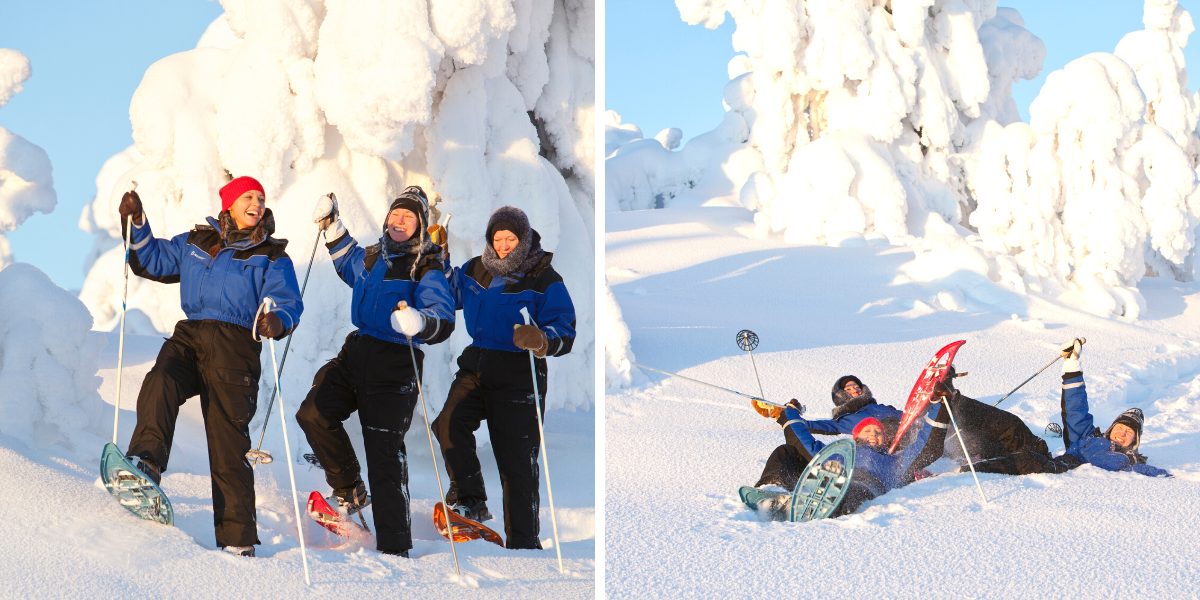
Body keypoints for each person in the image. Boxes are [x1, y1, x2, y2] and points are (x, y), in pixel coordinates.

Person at [119, 176, 303, 557]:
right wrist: (137, 222)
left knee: (227, 443)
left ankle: (238, 541)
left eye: (261, 198)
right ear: (229, 203)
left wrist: (278, 319)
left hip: (235, 347)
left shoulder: (271, 254)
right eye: (248, 196)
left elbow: (288, 300)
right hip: (190, 334)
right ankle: (145, 463)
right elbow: (150, 259)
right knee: (161, 380)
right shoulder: (197, 242)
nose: (257, 203)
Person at [295, 186, 455, 557]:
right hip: (358, 350)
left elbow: (442, 316)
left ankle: (395, 548)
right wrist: (331, 224)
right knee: (315, 412)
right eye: (395, 215)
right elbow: (346, 260)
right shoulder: (372, 257)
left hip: (398, 362)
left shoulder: (427, 265)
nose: (399, 221)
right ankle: (349, 487)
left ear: (419, 225)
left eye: (408, 217)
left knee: (384, 454)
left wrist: (420, 321)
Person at [432, 205, 576, 550]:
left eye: (511, 238)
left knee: (517, 464)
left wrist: (542, 339)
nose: (504, 245)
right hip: (478, 363)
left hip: (520, 373)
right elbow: (447, 295)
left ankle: (524, 544)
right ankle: (472, 501)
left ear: (524, 239)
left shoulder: (543, 276)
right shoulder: (476, 269)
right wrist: (436, 260)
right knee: (448, 423)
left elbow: (565, 328)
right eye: (498, 238)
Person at [969, 339, 1171, 478]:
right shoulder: (1088, 437)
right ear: (1112, 428)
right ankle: (954, 403)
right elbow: (1076, 409)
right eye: (1120, 427)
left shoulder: (1131, 463)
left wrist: (1167, 476)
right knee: (1012, 426)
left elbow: (1159, 475)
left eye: (1129, 432)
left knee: (1027, 461)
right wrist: (1072, 365)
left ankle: (970, 469)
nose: (1122, 433)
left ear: (1135, 441)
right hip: (1054, 462)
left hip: (1062, 471)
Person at [753, 389, 951, 518]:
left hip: (863, 488)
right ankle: (773, 494)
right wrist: (790, 413)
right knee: (786, 452)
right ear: (855, 436)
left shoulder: (895, 461)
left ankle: (820, 509)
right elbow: (802, 440)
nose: (874, 434)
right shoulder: (837, 452)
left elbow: (927, 445)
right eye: (867, 430)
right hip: (826, 479)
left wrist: (939, 404)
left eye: (879, 432)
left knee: (854, 489)